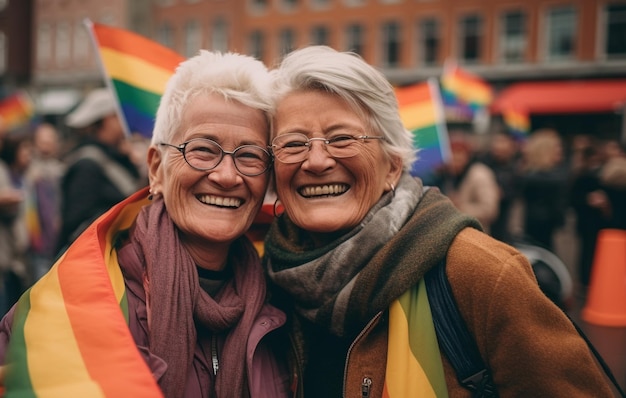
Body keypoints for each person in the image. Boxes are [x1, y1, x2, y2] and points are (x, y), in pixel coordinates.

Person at [263, 45, 613, 397]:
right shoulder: (263, 278)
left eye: (342, 139)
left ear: (392, 167)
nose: (317, 161)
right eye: (293, 144)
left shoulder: (481, 272)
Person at [0, 50, 289, 398]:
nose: (227, 176)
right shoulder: (67, 307)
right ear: (156, 169)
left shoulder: (285, 301)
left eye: (249, 155)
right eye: (202, 150)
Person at [57, 87, 142, 252]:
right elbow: (78, 223)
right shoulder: (87, 165)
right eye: (119, 116)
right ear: (107, 119)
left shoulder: (115, 156)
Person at [435, 131, 500, 235]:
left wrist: (460, 207)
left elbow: (490, 210)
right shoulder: (448, 176)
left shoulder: (480, 174)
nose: (455, 158)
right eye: (451, 153)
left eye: (459, 153)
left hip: (478, 235)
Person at [24, 123, 66, 280]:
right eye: (42, 140)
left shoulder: (63, 170)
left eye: (50, 140)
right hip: (35, 240)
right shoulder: (27, 171)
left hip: (59, 239)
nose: (46, 144)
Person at [518, 128, 568, 250]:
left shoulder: (528, 175)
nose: (560, 151)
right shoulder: (551, 180)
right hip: (542, 231)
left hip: (536, 229)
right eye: (556, 147)